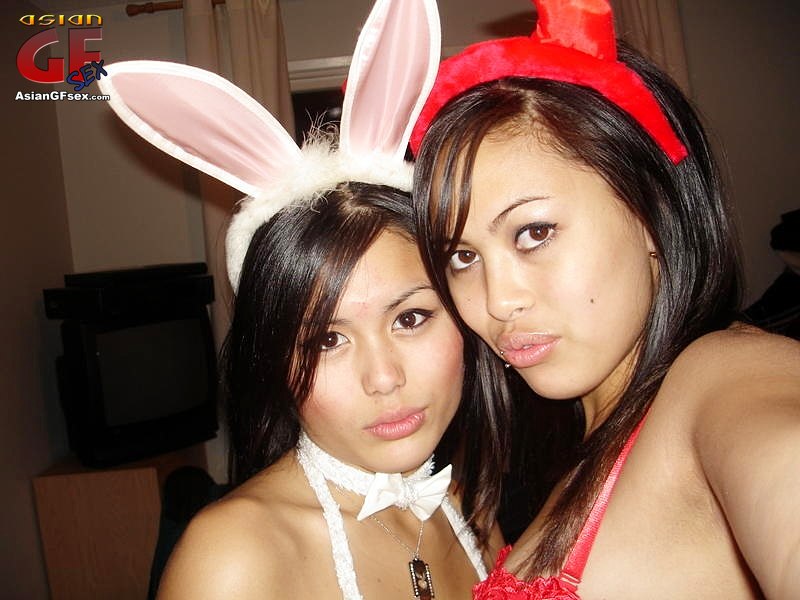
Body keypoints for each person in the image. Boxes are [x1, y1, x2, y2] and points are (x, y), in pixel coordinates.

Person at [98, 1, 506, 598]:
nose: (384, 378)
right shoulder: (231, 559)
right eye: (326, 340)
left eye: (411, 318)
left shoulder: (469, 507)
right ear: (274, 363)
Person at [409, 0, 800, 598]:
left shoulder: (719, 376)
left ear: (651, 214)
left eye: (534, 232)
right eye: (462, 257)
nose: (497, 301)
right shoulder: (575, 454)